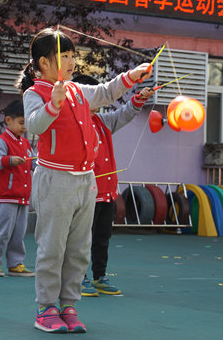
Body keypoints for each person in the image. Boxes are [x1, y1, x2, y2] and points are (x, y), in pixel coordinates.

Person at [16, 27, 151, 333]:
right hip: (54, 179)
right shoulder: (35, 93)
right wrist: (53, 104)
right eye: (63, 55)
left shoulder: (77, 90)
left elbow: (106, 92)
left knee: (78, 248)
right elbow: (35, 126)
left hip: (86, 181)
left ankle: (68, 305)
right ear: (43, 63)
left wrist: (132, 76)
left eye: (72, 55)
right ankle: (45, 308)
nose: (71, 61)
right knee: (52, 248)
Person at [71, 74, 153, 297]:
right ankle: (77, 277)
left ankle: (99, 276)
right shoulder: (73, 123)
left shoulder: (102, 121)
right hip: (85, 193)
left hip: (106, 193)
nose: (100, 100)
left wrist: (139, 98)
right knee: (81, 239)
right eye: (94, 96)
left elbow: (124, 114)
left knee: (102, 237)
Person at [0, 99, 35, 278]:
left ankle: (15, 264)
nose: (24, 127)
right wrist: (9, 160)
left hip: (23, 197)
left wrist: (44, 166)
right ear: (8, 120)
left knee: (19, 233)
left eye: (26, 123)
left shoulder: (26, 143)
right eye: (21, 122)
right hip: (7, 196)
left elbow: (33, 163)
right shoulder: (2, 141)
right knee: (2, 232)